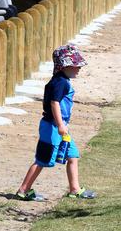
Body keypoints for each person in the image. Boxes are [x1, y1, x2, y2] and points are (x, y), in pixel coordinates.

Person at [15, 44, 97, 201]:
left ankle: (75, 189)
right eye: (75, 65)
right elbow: (55, 103)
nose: (78, 68)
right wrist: (60, 125)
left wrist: (62, 126)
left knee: (72, 155)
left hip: (61, 127)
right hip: (52, 126)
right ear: (64, 65)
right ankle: (23, 190)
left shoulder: (62, 80)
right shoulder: (60, 82)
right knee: (42, 159)